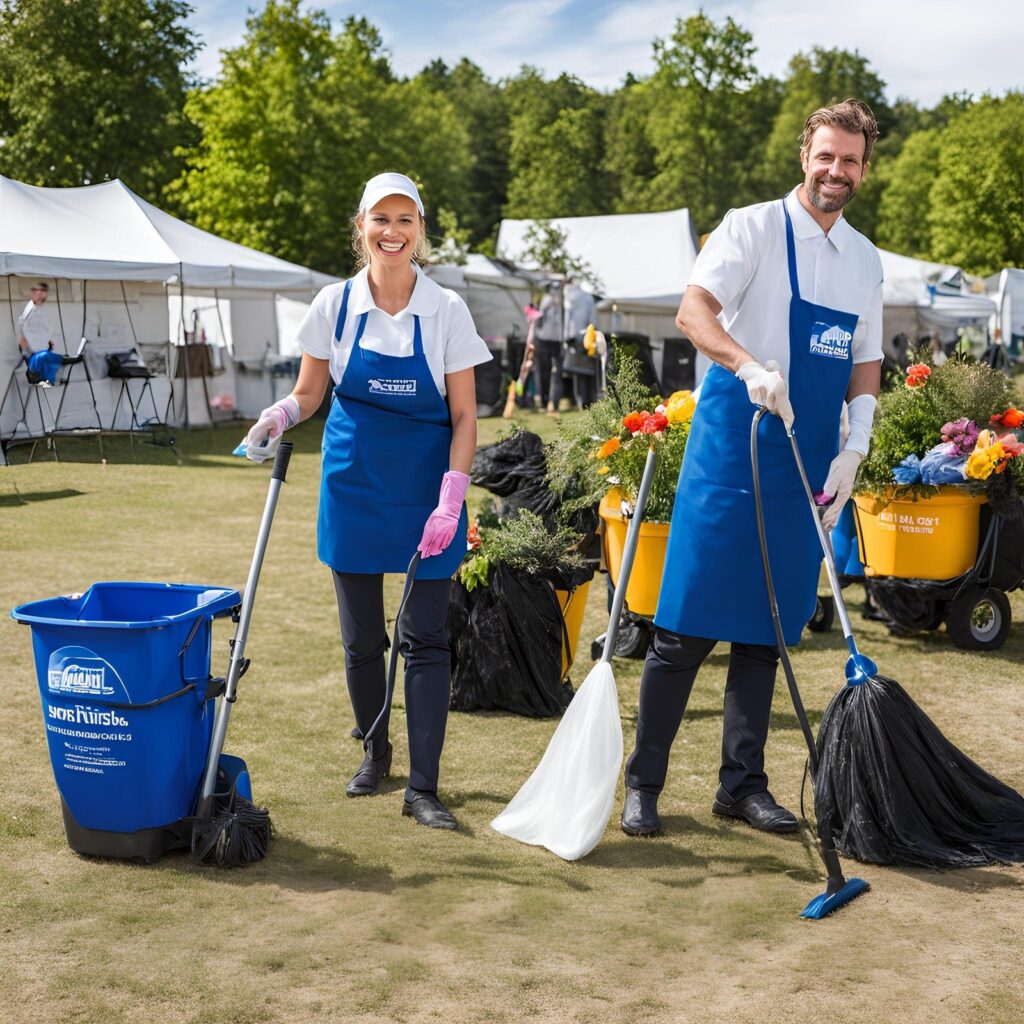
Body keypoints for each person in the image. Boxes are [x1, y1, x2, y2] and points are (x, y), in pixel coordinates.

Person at [620, 99, 883, 838]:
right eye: (826, 155)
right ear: (805, 154)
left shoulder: (864, 259)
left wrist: (856, 442)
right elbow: (693, 311)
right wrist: (744, 365)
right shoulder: (752, 227)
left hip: (805, 458)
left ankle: (743, 784)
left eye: (851, 160)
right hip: (733, 444)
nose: (837, 171)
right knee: (685, 627)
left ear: (865, 169)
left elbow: (866, 358)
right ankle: (644, 784)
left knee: (767, 631)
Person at [241, 172, 492, 831]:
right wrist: (278, 415)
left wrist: (451, 499)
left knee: (427, 638)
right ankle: (375, 752)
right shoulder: (334, 305)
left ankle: (426, 789)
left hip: (426, 491)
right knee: (360, 641)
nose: (392, 231)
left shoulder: (446, 310)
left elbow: (465, 416)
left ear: (420, 232)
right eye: (381, 218)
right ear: (361, 228)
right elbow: (311, 393)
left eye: (405, 220)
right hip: (352, 482)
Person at [533, 281, 565, 414]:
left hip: (558, 341)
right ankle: (544, 400)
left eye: (558, 288)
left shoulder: (564, 303)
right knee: (543, 372)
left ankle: (554, 402)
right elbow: (538, 318)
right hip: (543, 340)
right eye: (553, 288)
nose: (555, 291)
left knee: (557, 373)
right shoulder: (545, 301)